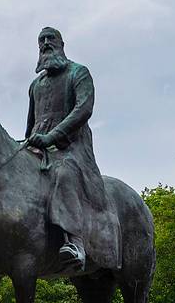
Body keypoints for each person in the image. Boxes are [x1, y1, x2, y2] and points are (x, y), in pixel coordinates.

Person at [25, 27, 117, 274]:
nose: (45, 43)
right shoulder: (35, 85)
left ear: (61, 44)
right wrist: (25, 146)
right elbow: (32, 123)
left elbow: (83, 110)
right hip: (40, 147)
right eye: (41, 40)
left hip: (72, 148)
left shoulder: (79, 73)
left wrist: (53, 136)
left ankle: (75, 242)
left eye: (50, 39)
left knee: (63, 172)